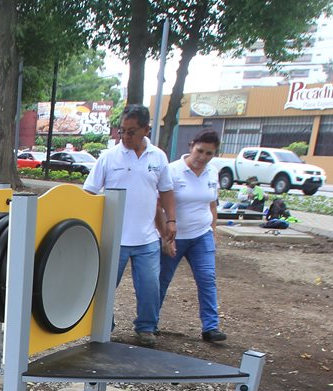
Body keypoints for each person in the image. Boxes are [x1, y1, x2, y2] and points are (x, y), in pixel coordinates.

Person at [83, 104, 175, 347]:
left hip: (146, 238)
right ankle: (104, 324)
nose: (124, 137)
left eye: (131, 131)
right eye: (121, 131)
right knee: (104, 286)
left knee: (150, 286)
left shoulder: (158, 157)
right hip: (114, 238)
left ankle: (146, 328)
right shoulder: (109, 157)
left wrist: (171, 222)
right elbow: (89, 193)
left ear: (146, 129)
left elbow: (166, 191)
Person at [157, 129, 226, 343]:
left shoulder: (212, 172)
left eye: (209, 154)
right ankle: (149, 322)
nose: (203, 158)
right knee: (161, 279)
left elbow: (212, 204)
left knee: (207, 279)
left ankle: (211, 327)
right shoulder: (172, 171)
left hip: (201, 234)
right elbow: (159, 205)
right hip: (174, 235)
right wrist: (164, 235)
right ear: (191, 146)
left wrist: (213, 230)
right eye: (200, 151)